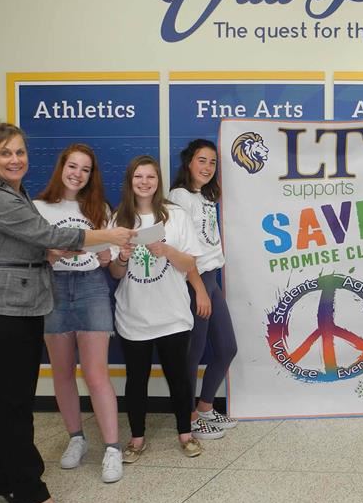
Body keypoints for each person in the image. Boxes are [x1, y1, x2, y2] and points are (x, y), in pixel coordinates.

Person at [0, 122, 134, 503]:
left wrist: (52, 255)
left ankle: (0, 481)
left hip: (20, 304)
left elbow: (35, 246)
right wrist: (111, 236)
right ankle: (32, 492)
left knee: (10, 402)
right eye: (5, 153)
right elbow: (49, 233)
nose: (15, 159)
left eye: (20, 152)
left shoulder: (14, 193)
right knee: (15, 405)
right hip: (1, 309)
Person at [33, 144, 123, 483]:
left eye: (85, 169)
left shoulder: (99, 208)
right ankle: (76, 439)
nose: (78, 174)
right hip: (53, 288)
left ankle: (112, 447)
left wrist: (108, 258)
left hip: (90, 288)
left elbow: (112, 262)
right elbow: (29, 251)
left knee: (96, 373)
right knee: (62, 372)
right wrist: (47, 255)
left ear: (91, 175)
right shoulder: (38, 207)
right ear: (61, 167)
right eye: (73, 166)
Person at [108, 155, 204, 461]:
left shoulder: (175, 216)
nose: (145, 182)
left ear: (158, 181)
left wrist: (166, 250)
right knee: (136, 380)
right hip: (133, 315)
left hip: (172, 315)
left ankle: (186, 435)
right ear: (130, 181)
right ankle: (136, 440)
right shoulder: (118, 219)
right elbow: (115, 273)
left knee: (179, 378)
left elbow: (190, 263)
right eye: (139, 177)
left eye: (150, 177)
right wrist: (121, 257)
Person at [169, 139, 238, 440]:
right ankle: (190, 417)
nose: (207, 167)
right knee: (192, 353)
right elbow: (182, 247)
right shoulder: (179, 196)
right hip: (193, 281)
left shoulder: (205, 196)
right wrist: (198, 288)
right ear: (188, 163)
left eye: (212, 162)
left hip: (212, 278)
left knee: (226, 348)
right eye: (202, 160)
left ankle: (206, 406)